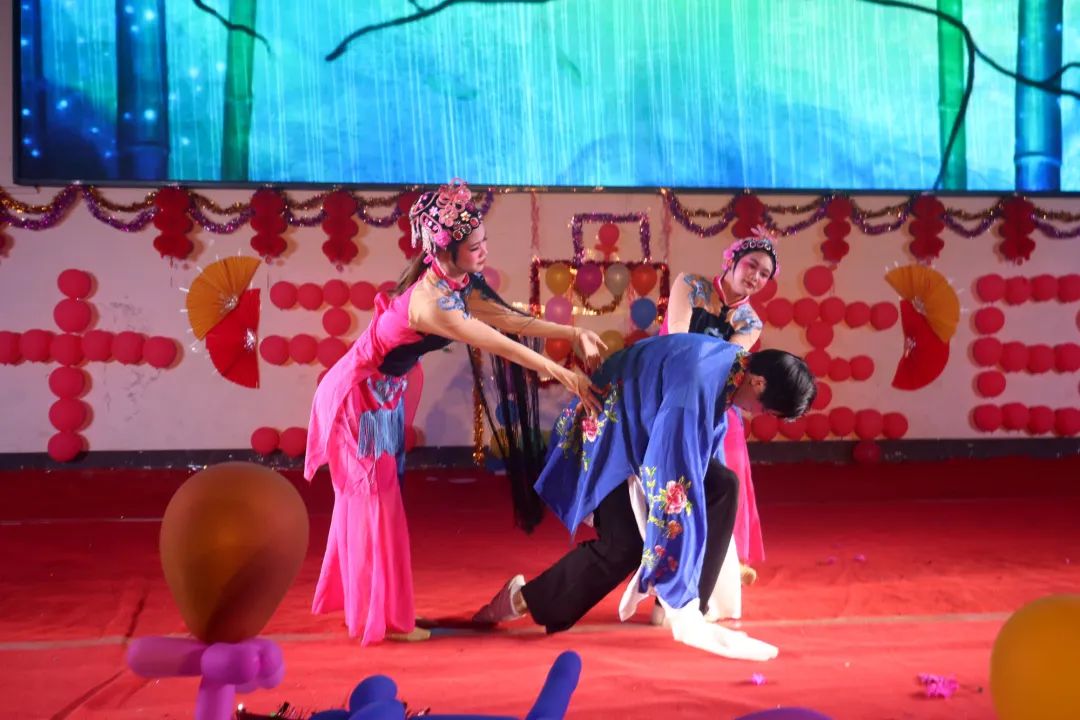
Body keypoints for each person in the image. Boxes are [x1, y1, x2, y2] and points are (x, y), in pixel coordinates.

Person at [304, 178, 607, 646]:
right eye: (475, 246)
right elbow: (501, 343)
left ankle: (380, 612)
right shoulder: (431, 304)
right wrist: (566, 375)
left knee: (379, 500)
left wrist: (573, 333)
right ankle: (376, 619)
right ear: (445, 250)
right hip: (356, 400)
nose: (485, 251)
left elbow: (510, 319)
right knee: (370, 502)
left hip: (382, 395)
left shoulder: (457, 284)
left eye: (484, 241)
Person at [473, 334, 815, 659]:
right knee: (624, 545)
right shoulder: (699, 381)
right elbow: (670, 475)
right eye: (767, 410)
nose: (758, 414)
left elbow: (696, 455)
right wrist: (675, 581)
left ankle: (689, 600)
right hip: (609, 436)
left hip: (643, 432)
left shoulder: (735, 366)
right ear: (758, 383)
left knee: (722, 484)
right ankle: (524, 599)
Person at [659, 225, 779, 624]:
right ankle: (659, 575)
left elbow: (724, 363)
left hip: (713, 403)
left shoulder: (751, 320)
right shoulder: (689, 284)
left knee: (722, 482)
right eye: (751, 265)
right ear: (732, 260)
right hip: (663, 390)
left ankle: (709, 577)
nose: (756, 277)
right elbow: (677, 342)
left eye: (764, 274)